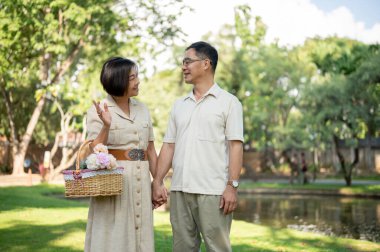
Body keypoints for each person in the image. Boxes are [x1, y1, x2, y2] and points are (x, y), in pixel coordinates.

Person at [152, 41, 244, 251]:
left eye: (188, 61)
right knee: (182, 247)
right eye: (183, 62)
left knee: (217, 248)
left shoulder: (229, 103)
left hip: (213, 192)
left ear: (206, 64)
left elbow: (235, 147)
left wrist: (232, 186)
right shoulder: (179, 105)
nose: (183, 67)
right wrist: (157, 180)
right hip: (180, 190)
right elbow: (168, 146)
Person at [84, 57, 157, 252]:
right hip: (114, 184)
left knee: (141, 235)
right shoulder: (98, 110)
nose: (138, 81)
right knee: (113, 237)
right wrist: (106, 125)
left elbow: (150, 149)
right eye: (132, 77)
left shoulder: (143, 109)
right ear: (119, 81)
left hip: (141, 180)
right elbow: (94, 149)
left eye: (137, 76)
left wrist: (157, 182)